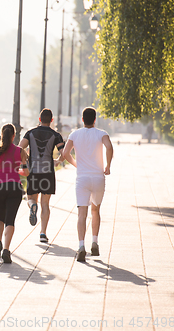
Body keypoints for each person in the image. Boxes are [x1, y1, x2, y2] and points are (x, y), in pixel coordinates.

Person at [62, 107, 114, 262]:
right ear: (95, 119)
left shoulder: (75, 134)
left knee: (81, 213)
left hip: (82, 179)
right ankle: (95, 242)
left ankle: (81, 246)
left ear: (82, 119)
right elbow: (109, 147)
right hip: (98, 178)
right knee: (96, 210)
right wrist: (108, 166)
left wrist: (76, 164)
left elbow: (65, 153)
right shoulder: (102, 134)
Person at [19, 108, 64, 243]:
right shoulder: (56, 135)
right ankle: (43, 233)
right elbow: (64, 152)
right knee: (45, 203)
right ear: (51, 120)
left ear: (39, 119)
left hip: (33, 172)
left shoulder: (30, 133)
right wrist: (58, 161)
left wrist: (25, 161)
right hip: (48, 172)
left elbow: (19, 148)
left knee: (30, 198)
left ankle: (32, 206)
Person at [0, 124, 29, 263]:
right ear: (13, 136)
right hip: (14, 187)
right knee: (10, 220)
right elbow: (26, 172)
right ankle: (6, 249)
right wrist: (19, 170)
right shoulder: (20, 151)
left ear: (1, 135)